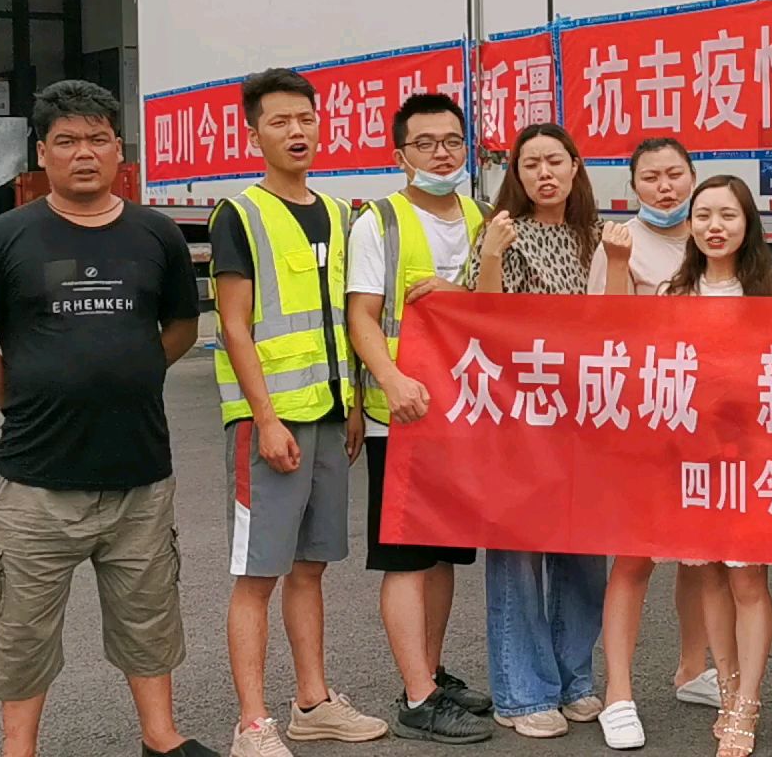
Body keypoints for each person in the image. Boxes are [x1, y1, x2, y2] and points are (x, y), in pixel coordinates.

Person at [0, 81, 214, 757]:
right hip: (38, 479)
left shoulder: (156, 233)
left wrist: (130, 373)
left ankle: (161, 737)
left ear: (119, 150)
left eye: (98, 138)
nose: (84, 152)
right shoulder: (4, 237)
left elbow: (181, 327)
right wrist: (27, 405)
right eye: (66, 141)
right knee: (24, 627)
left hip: (140, 472)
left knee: (149, 616)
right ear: (43, 153)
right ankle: (19, 749)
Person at [211, 68, 388, 757]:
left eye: (306, 119)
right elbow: (234, 325)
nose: (297, 132)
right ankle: (252, 723)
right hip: (271, 424)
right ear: (253, 132)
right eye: (280, 121)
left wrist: (354, 403)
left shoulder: (341, 215)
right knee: (258, 574)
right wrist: (265, 419)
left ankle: (312, 703)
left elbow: (349, 318)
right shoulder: (241, 215)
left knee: (311, 568)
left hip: (331, 417)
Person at [343, 92, 494, 744]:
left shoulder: (480, 216)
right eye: (425, 143)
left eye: (452, 141)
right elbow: (361, 315)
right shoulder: (380, 221)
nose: (441, 154)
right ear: (400, 153)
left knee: (441, 557)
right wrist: (391, 379)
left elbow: (494, 306)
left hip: (462, 413)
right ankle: (416, 696)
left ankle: (432, 673)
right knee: (406, 559)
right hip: (399, 417)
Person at [463, 122, 610, 739]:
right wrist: (493, 253)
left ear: (576, 167)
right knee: (520, 553)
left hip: (588, 418)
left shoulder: (598, 235)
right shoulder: (500, 232)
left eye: (555, 161)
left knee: (585, 554)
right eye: (530, 164)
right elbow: (478, 320)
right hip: (520, 418)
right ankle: (522, 692)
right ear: (515, 175)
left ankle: (574, 678)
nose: (544, 173)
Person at [592, 138, 731, 751]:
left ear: (694, 178)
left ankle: (692, 669)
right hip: (644, 422)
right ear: (633, 185)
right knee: (634, 557)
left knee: (702, 554)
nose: (665, 186)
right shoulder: (619, 241)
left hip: (709, 427)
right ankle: (618, 694)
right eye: (651, 177)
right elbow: (603, 333)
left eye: (676, 174)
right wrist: (617, 264)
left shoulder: (709, 236)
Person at [661, 174, 772, 757]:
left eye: (728, 215)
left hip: (754, 459)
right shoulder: (675, 294)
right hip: (693, 459)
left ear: (748, 224)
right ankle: (727, 689)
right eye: (704, 215)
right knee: (709, 574)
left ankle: (748, 703)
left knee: (747, 579)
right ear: (690, 224)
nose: (715, 227)